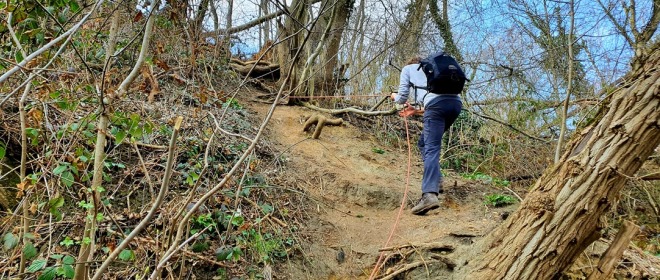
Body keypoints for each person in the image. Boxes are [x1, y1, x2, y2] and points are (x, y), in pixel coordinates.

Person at [390, 55, 463, 215]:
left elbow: (402, 98)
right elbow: (438, 102)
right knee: (424, 143)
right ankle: (437, 180)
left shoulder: (408, 69)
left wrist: (395, 96)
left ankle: (429, 195)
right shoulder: (434, 72)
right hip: (455, 105)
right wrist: (416, 111)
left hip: (436, 107)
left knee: (431, 148)